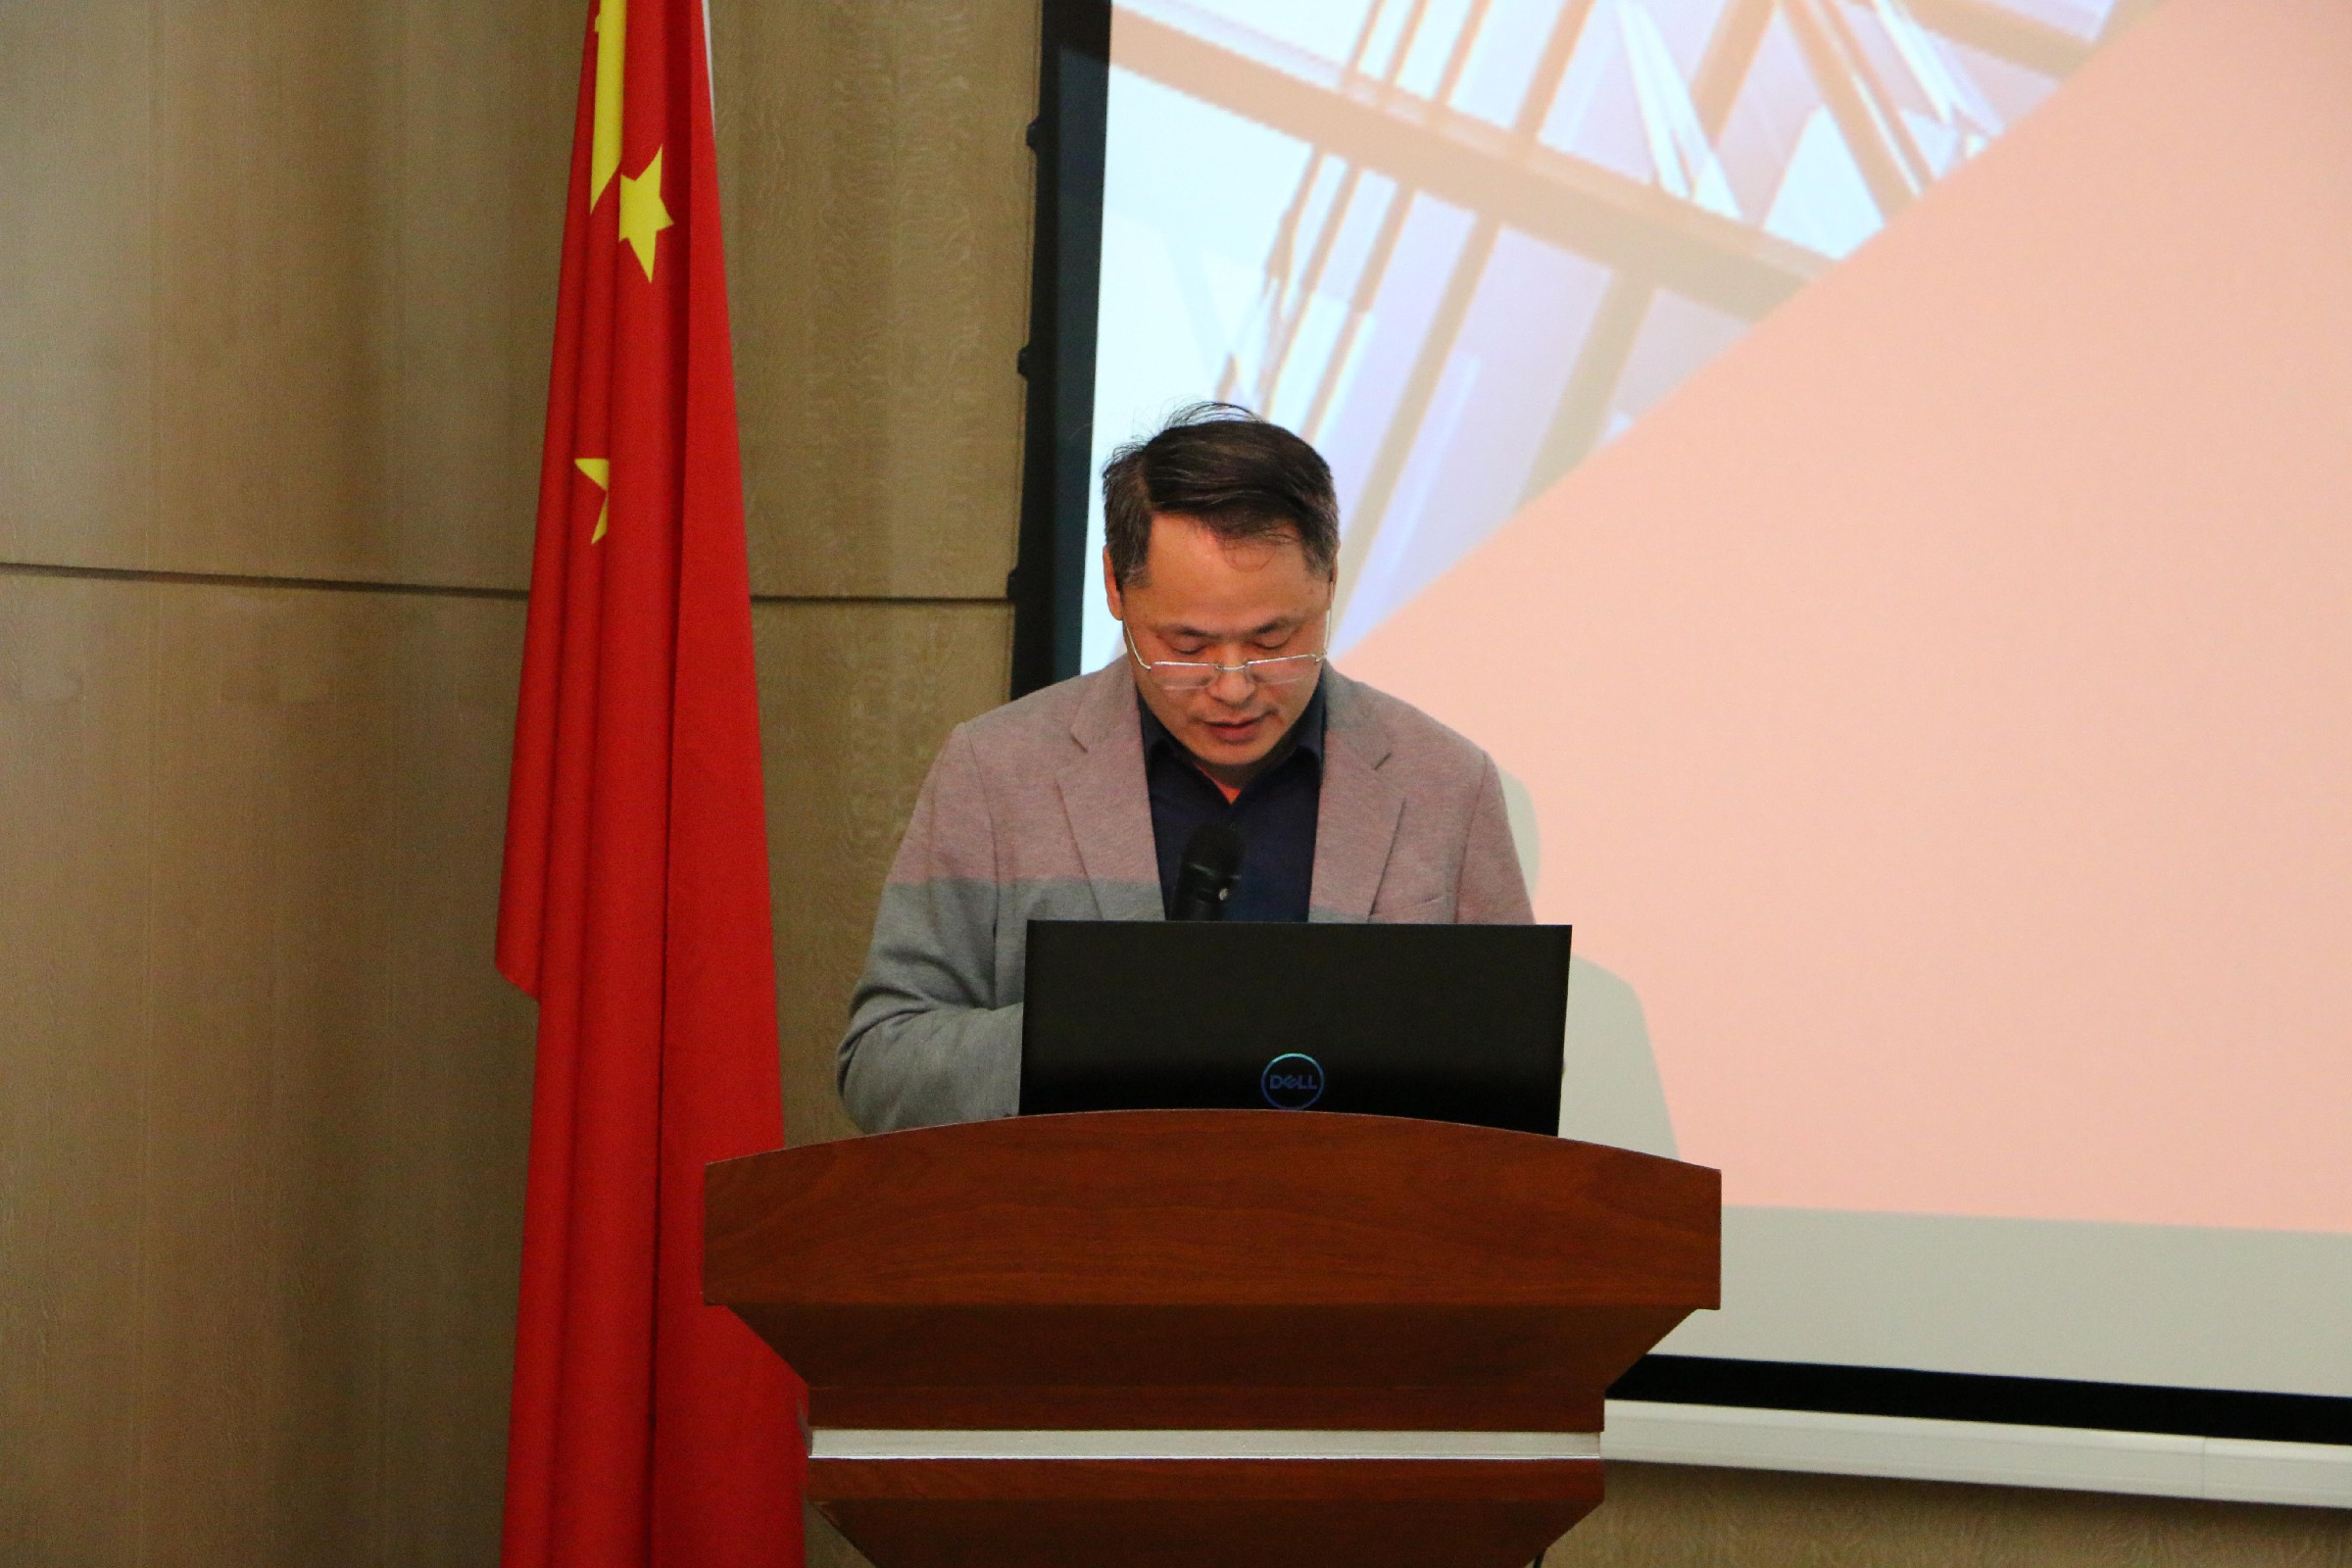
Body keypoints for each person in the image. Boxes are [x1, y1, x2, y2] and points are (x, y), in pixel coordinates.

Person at [837, 404, 1531, 1132]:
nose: (1233, 687)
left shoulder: (1444, 783)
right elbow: (882, 1064)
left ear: (1329, 580)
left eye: (1273, 640)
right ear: (1115, 586)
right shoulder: (998, 772)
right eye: (1187, 647)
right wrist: (1094, 1032)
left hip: (1352, 1204)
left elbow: (1511, 1071)